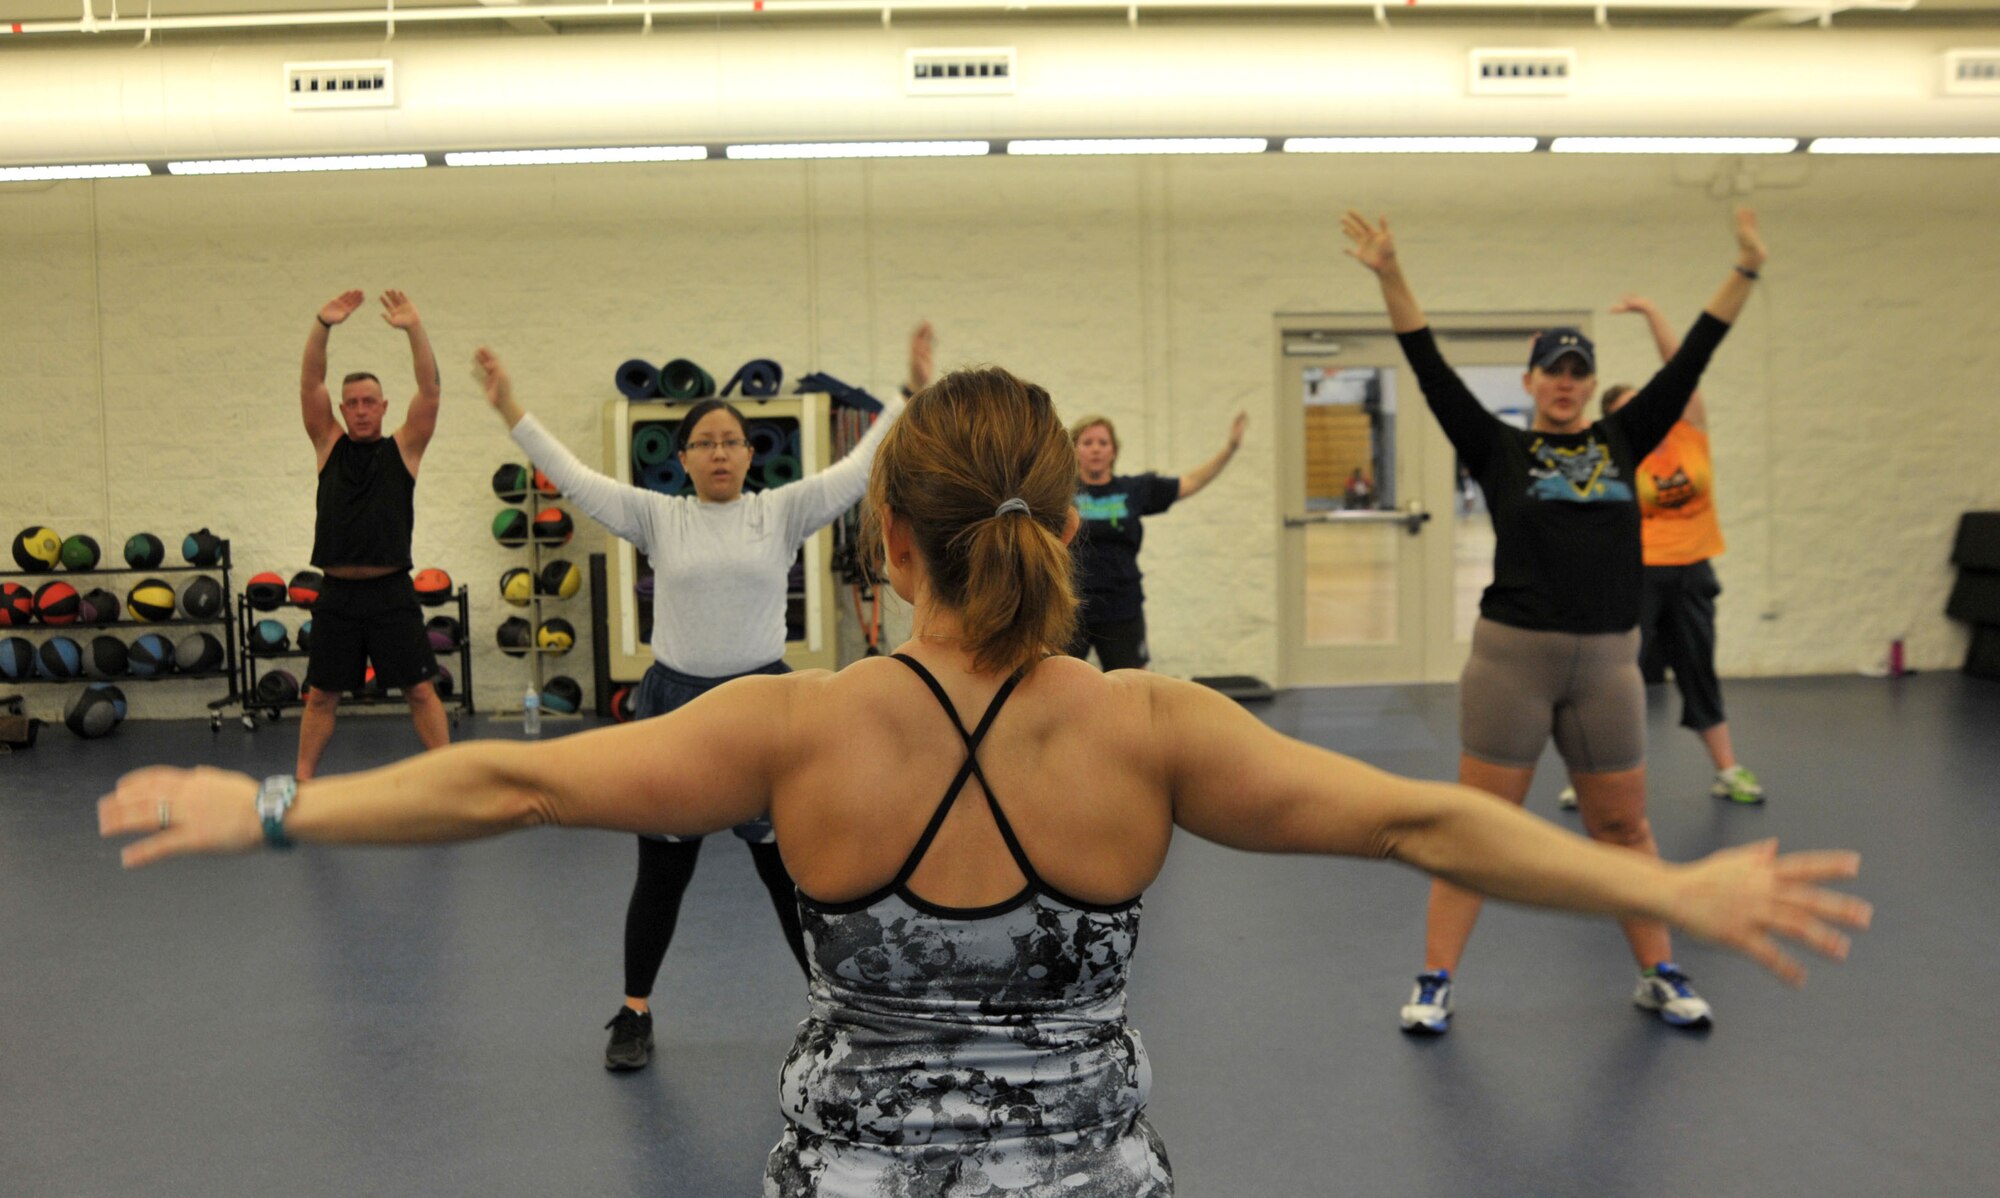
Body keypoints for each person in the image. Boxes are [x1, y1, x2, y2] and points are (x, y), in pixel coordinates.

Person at [103, 360, 1867, 1196]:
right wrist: (1664, 885)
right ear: (1057, 521)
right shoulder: (1146, 728)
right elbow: (1424, 813)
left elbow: (508, 787)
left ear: (882, 534)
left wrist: (270, 803)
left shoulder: (795, 729)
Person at [1341, 207, 1770, 1034]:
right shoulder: (1499, 449)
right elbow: (1425, 364)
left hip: (1609, 663)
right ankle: (1434, 980)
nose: (1568, 381)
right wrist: (1391, 272)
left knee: (1622, 826)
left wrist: (1744, 270)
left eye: (1579, 369)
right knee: (1476, 829)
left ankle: (1660, 970)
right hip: (1514, 662)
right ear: (1532, 381)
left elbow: (1697, 356)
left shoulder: (1624, 439)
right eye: (1554, 370)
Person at [472, 325, 927, 1072]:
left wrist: (907, 395)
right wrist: (511, 409)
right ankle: (633, 1011)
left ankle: (831, 1012)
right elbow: (576, 478)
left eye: (732, 441)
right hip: (677, 709)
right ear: (681, 459)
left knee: (787, 874)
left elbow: (857, 468)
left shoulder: (778, 512)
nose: (719, 451)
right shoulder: (659, 517)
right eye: (704, 442)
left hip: (765, 711)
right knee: (663, 871)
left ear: (750, 455)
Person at [1557, 294, 1763, 812]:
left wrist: (1653, 314)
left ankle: (1727, 769)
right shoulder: (1614, 454)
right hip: (1638, 577)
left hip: (1693, 572)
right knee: (1611, 680)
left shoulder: (1688, 432)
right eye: (1627, 411)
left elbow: (1683, 368)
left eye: (1646, 403)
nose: (1645, 414)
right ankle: (1589, 776)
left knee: (1699, 671)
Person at [296, 289, 449, 781]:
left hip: (390, 592)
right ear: (342, 408)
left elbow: (430, 392)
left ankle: (449, 779)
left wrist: (414, 329)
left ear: (383, 407)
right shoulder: (327, 443)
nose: (361, 410)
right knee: (321, 696)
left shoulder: (403, 449)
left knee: (420, 690)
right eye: (353, 403)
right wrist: (323, 324)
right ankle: (301, 784)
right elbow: (309, 381)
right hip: (338, 593)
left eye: (369, 402)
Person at [1066, 410, 1247, 669]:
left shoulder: (1133, 490)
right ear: (1074, 450)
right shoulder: (1061, 494)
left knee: (1133, 686)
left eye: (1103, 443)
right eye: (1087, 443)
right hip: (1071, 606)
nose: (1096, 449)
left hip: (1121, 607)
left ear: (1114, 451)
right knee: (1057, 684)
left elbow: (1191, 482)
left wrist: (1229, 449)